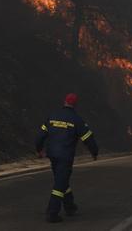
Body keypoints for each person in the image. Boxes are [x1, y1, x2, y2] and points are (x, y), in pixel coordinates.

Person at [36, 93, 99, 223]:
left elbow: (40, 135)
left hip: (52, 154)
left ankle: (70, 207)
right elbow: (88, 139)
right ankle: (52, 213)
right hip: (65, 156)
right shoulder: (77, 120)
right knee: (60, 184)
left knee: (62, 179)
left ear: (64, 101)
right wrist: (95, 152)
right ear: (75, 105)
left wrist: (39, 149)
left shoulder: (52, 116)